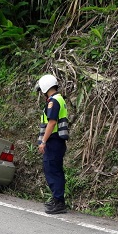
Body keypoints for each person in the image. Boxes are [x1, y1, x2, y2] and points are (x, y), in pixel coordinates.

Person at [35, 74, 69, 214]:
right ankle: (57, 199)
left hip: (54, 141)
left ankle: (59, 202)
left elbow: (52, 122)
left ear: (45, 88)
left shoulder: (53, 101)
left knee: (52, 170)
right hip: (57, 142)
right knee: (55, 170)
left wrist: (43, 141)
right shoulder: (59, 99)